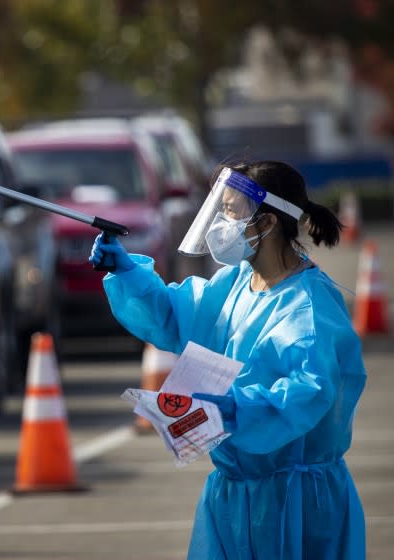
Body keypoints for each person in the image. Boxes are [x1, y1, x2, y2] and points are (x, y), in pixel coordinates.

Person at [89, 161, 366, 559]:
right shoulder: (237, 283)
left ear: (267, 222)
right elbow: (174, 314)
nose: (223, 221)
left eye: (233, 211)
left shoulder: (308, 308)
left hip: (295, 502)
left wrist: (235, 406)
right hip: (233, 496)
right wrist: (128, 270)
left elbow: (306, 394)